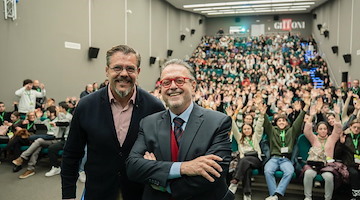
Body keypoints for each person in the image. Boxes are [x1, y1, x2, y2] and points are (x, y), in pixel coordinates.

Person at [61, 44, 165, 200]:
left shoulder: (154, 107)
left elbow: (162, 152)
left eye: (130, 69)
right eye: (117, 68)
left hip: (140, 193)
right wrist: (68, 195)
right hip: (98, 192)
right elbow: (71, 154)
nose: (124, 74)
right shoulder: (86, 106)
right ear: (107, 71)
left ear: (138, 72)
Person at [126, 59, 234, 200]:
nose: (172, 86)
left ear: (193, 85)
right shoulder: (148, 124)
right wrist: (184, 168)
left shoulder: (218, 122)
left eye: (179, 80)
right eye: (166, 82)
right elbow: (133, 167)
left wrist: (162, 182)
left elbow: (213, 174)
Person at [263, 99, 310, 200]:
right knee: (267, 170)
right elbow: (266, 124)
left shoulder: (291, 131)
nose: (281, 122)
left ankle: (277, 194)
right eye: (279, 120)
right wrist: (263, 114)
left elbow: (298, 121)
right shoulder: (272, 131)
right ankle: (274, 195)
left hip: (286, 159)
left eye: (283, 120)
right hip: (274, 158)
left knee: (289, 171)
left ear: (287, 123)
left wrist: (305, 108)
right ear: (276, 123)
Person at [12, 103, 73, 179]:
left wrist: (58, 113)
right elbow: (36, 125)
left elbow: (65, 122)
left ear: (52, 113)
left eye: (47, 112)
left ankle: (22, 158)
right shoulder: (47, 120)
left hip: (56, 139)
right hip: (47, 139)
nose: (46, 114)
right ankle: (30, 169)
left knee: (39, 141)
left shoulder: (59, 120)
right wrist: (38, 117)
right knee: (37, 146)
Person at [302, 106, 342, 200]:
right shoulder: (314, 138)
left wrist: (337, 114)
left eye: (324, 129)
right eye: (320, 129)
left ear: (327, 130)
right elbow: (306, 130)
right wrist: (311, 116)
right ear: (317, 130)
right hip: (314, 165)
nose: (323, 130)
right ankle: (307, 197)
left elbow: (338, 129)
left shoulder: (331, 139)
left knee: (329, 177)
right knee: (308, 174)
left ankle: (328, 198)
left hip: (327, 165)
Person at [228, 102, 266, 200]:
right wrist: (230, 117)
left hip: (255, 159)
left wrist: (261, 115)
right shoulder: (240, 137)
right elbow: (234, 128)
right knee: (247, 170)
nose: (246, 130)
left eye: (248, 128)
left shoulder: (255, 137)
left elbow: (259, 125)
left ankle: (235, 181)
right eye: (244, 129)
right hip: (245, 161)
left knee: (244, 160)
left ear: (252, 129)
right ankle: (247, 194)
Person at [338, 119, 360, 200]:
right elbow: (337, 154)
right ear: (350, 127)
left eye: (358, 128)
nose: (356, 129)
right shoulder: (345, 137)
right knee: (354, 173)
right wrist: (341, 143)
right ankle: (356, 196)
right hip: (349, 164)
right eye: (354, 127)